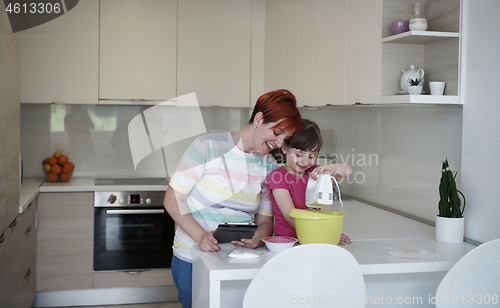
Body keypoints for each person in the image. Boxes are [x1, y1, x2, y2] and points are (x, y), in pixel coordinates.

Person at [163, 89, 302, 308]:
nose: (279, 143)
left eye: (284, 139)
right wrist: (201, 237)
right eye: (276, 133)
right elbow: (172, 199)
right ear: (259, 119)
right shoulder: (206, 147)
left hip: (239, 262)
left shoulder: (269, 167)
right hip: (193, 258)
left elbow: (265, 222)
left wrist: (259, 238)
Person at [268, 119, 352, 245]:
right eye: (299, 155)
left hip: (313, 239)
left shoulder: (314, 172)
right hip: (288, 243)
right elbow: (291, 218)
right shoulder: (278, 176)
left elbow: (348, 170)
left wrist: (333, 168)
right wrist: (326, 234)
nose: (305, 162)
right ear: (285, 148)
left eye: (312, 156)